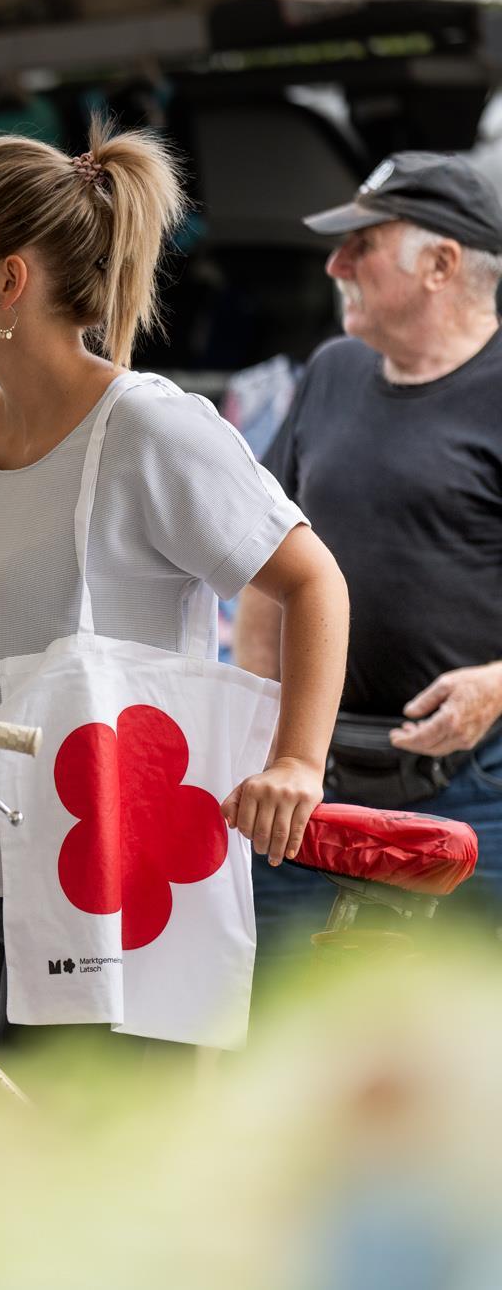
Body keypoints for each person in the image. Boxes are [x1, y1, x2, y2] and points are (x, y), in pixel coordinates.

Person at [0, 120, 350, 1048]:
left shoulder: (150, 431)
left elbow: (313, 580)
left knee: (105, 1171)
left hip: (104, 880)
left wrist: (296, 762)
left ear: (12, 279)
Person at [236, 151, 502, 947]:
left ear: (442, 264)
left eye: (363, 243)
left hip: (477, 789)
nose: (334, 264)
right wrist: (256, 727)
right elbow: (265, 565)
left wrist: (499, 683)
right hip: (311, 787)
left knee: (457, 1050)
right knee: (288, 1042)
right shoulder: (333, 370)